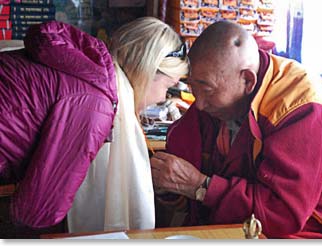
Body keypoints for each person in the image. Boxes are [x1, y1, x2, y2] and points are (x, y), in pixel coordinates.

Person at [150, 21, 322, 239]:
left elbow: (280, 216)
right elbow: (184, 152)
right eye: (194, 88)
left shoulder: (301, 105)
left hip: (314, 215)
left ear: (247, 80)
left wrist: (201, 186)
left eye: (207, 90)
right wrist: (168, 185)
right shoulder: (221, 90)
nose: (199, 104)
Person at [0, 17, 188, 231]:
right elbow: (35, 211)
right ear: (147, 72)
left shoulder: (90, 69)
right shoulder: (96, 102)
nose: (163, 98)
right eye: (169, 86)